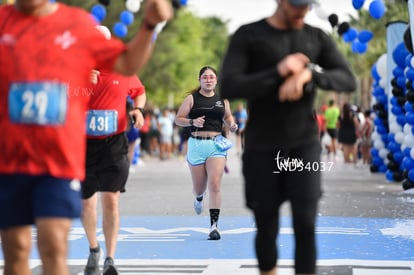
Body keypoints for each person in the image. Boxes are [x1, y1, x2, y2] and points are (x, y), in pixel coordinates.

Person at [0, 1, 172, 275]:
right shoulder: (3, 21)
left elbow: (127, 63)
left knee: (54, 244)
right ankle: (95, 249)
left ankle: (106, 256)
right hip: (11, 155)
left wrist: (148, 27)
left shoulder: (76, 24)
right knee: (16, 250)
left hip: (59, 154)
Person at [219, 0, 356, 274]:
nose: (302, 11)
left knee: (306, 224)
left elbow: (346, 79)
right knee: (266, 226)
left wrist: (310, 73)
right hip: (262, 148)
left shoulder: (315, 37)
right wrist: (279, 71)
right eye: (296, 5)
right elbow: (229, 85)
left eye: (307, 6)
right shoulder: (249, 35)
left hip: (303, 147)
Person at [82, 68, 146, 275]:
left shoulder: (123, 70)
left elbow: (140, 91)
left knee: (111, 201)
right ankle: (94, 248)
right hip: (83, 146)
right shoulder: (75, 69)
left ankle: (110, 259)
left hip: (114, 144)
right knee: (87, 206)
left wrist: (138, 110)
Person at [175, 66, 238, 240]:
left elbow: (228, 117)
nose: (208, 80)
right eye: (205, 77)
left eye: (211, 77)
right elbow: (178, 119)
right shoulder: (191, 98)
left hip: (216, 145)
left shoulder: (222, 100)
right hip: (196, 144)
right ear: (199, 80)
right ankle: (199, 197)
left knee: (215, 185)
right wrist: (192, 121)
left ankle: (214, 226)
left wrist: (231, 124)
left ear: (216, 80)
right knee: (199, 187)